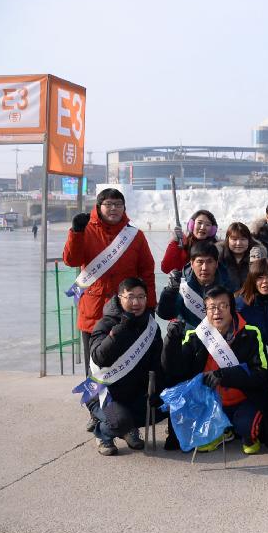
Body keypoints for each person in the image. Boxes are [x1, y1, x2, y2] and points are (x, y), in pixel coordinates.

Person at [63, 188, 156, 431]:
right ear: (99, 206)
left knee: (128, 365)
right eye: (108, 204)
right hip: (93, 311)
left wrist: (151, 305)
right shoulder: (85, 229)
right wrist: (75, 231)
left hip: (128, 311)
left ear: (124, 208)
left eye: (118, 204)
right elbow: (71, 260)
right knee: (94, 367)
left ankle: (123, 416)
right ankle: (96, 414)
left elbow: (147, 271)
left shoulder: (134, 235)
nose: (113, 208)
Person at [162, 286, 268, 455]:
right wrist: (171, 339)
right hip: (208, 402)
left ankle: (243, 433)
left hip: (243, 399)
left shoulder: (250, 334)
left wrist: (224, 375)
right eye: (212, 307)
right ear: (206, 310)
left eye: (223, 306)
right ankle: (222, 431)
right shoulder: (195, 336)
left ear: (232, 308)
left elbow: (260, 373)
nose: (217, 312)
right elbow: (175, 369)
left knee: (247, 432)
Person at [88, 277, 163, 456]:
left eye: (141, 297)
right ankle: (103, 432)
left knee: (166, 404)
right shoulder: (105, 324)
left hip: (133, 392)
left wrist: (156, 391)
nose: (136, 302)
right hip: (103, 393)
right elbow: (99, 358)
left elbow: (156, 365)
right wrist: (121, 330)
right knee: (119, 420)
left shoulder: (151, 327)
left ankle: (128, 427)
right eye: (130, 297)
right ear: (120, 298)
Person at [157, 241, 232, 328]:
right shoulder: (181, 286)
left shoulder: (229, 285)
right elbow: (166, 315)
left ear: (216, 264)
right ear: (192, 264)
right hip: (188, 338)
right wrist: (170, 292)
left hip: (220, 338)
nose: (204, 268)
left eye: (209, 262)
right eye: (200, 262)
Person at [161, 209, 218, 274]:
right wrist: (175, 243)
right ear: (192, 225)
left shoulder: (217, 248)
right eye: (199, 223)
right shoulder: (182, 244)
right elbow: (166, 268)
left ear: (213, 229)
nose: (202, 227)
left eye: (207, 225)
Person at [217, 222, 266, 291]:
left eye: (243, 239)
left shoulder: (258, 256)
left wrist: (255, 265)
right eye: (234, 239)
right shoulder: (218, 258)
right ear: (227, 240)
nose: (239, 243)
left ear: (249, 240)